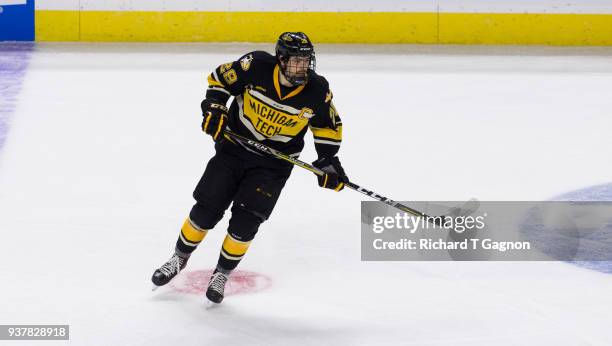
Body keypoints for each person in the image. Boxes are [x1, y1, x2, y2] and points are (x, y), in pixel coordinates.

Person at [151, 32, 348, 304]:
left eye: (306, 62)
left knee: (246, 222)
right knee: (206, 209)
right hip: (233, 149)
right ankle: (178, 258)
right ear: (280, 59)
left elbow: (327, 125)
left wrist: (328, 160)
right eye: (295, 62)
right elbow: (219, 79)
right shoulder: (254, 66)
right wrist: (215, 109)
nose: (302, 68)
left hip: (273, 164)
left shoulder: (317, 90)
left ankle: (221, 274)